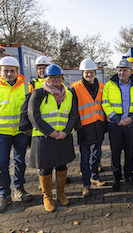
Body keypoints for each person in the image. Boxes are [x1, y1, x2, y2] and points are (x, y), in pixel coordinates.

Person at [0, 56, 32, 213]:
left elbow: (31, 112)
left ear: (17, 71)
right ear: (0, 71)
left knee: (20, 162)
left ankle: (19, 189)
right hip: (1, 134)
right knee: (1, 166)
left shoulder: (27, 88)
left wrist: (31, 133)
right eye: (5, 71)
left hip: (20, 133)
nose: (8, 74)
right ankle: (4, 195)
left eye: (11, 71)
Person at [28, 64, 77, 212]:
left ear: (62, 78)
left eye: (58, 77)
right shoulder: (38, 93)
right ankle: (47, 197)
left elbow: (73, 115)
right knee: (45, 168)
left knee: (62, 166)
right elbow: (33, 115)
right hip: (44, 138)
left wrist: (66, 131)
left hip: (63, 136)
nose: (55, 80)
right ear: (46, 79)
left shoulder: (68, 94)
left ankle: (61, 194)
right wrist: (49, 132)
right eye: (52, 77)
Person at [102, 59, 133, 191]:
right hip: (115, 125)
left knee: (130, 152)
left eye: (124, 70)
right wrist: (116, 119)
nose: (121, 73)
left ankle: (129, 176)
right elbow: (105, 103)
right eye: (119, 70)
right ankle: (117, 178)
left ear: (131, 72)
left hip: (131, 124)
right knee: (115, 153)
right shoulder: (109, 85)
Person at [71, 58, 108, 198]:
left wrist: (104, 125)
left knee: (96, 155)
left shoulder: (102, 88)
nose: (89, 75)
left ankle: (95, 176)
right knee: (85, 157)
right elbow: (73, 110)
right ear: (82, 73)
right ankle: (86, 184)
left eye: (91, 72)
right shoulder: (75, 88)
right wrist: (77, 127)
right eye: (86, 73)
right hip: (84, 128)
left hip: (98, 127)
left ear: (94, 72)